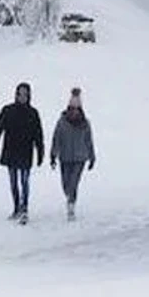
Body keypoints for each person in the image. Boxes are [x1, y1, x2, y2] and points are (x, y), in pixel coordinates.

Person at [0, 82, 44, 223]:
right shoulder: (8, 110)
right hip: (11, 151)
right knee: (13, 182)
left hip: (26, 152)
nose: (22, 97)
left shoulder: (33, 113)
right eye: (20, 94)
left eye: (25, 94)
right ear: (16, 94)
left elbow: (38, 134)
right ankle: (16, 208)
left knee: (24, 181)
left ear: (29, 96)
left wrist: (40, 152)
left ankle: (24, 208)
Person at [49, 87, 96, 220]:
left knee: (74, 183)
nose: (75, 112)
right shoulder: (62, 122)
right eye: (72, 109)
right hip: (65, 157)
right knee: (65, 184)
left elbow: (89, 140)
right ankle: (69, 198)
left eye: (77, 109)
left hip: (80, 158)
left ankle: (71, 206)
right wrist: (53, 154)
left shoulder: (85, 124)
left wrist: (92, 157)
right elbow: (56, 138)